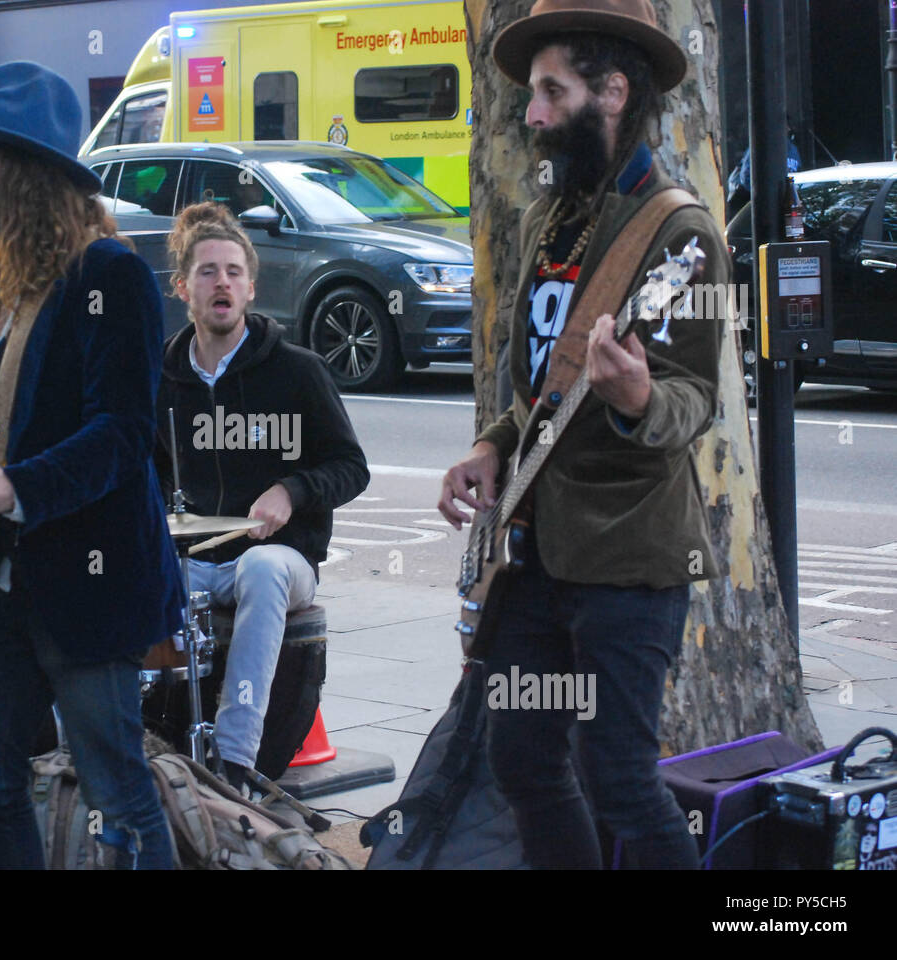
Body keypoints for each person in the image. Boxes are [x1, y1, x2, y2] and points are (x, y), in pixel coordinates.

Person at [437, 0, 728, 869]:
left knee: (623, 783)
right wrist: (493, 443)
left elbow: (693, 401)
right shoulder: (547, 216)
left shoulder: (678, 232)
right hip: (532, 554)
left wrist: (640, 397)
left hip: (627, 566)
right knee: (522, 758)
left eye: (549, 91)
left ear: (612, 90)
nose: (529, 114)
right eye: (532, 93)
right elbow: (536, 385)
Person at [0, 61, 183, 870]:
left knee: (117, 793)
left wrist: (15, 489)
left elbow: (124, 435)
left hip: (89, 588)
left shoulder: (110, 275)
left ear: (26, 174)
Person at [154, 202, 369, 793]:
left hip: (283, 558)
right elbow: (144, 476)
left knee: (262, 567)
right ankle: (136, 751)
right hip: (195, 558)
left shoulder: (296, 371)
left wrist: (292, 489)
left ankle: (235, 763)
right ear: (183, 288)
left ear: (250, 287)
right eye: (206, 271)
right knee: (124, 580)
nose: (220, 281)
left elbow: (352, 468)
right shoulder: (162, 379)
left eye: (232, 271)